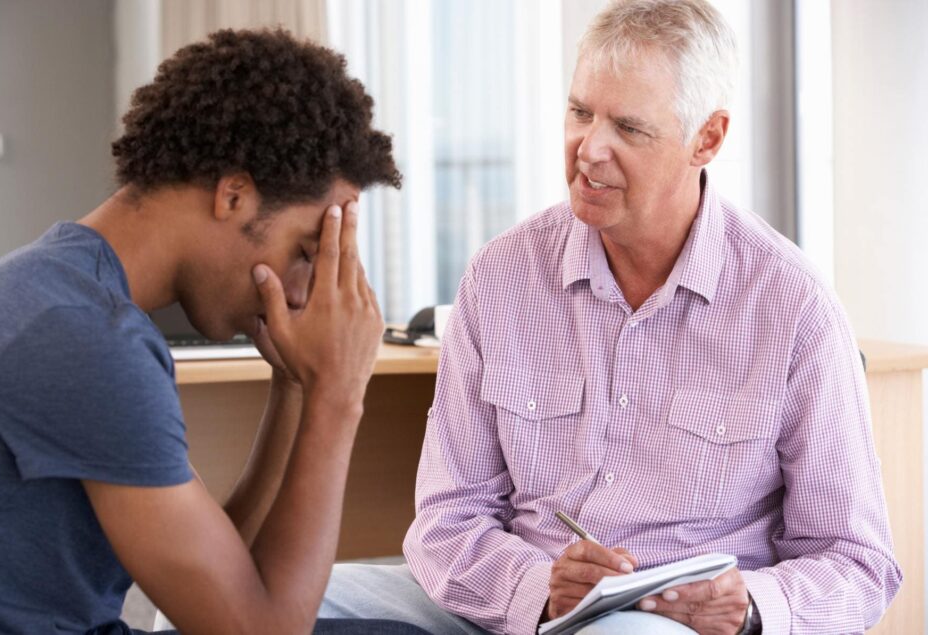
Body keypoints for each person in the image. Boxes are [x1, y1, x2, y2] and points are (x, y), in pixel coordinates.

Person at [319, 1, 902, 634]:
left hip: (671, 628)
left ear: (706, 138)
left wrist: (750, 605)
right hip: (514, 612)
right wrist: (542, 588)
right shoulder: (500, 277)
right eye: (580, 113)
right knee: (272, 606)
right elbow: (445, 521)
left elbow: (857, 563)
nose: (588, 148)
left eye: (628, 127)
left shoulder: (794, 307)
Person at [0, 28, 430, 635]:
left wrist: (295, 388)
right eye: (306, 251)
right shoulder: (86, 342)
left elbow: (219, 574)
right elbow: (261, 629)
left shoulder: (63, 288)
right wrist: (339, 394)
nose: (300, 291)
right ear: (233, 195)